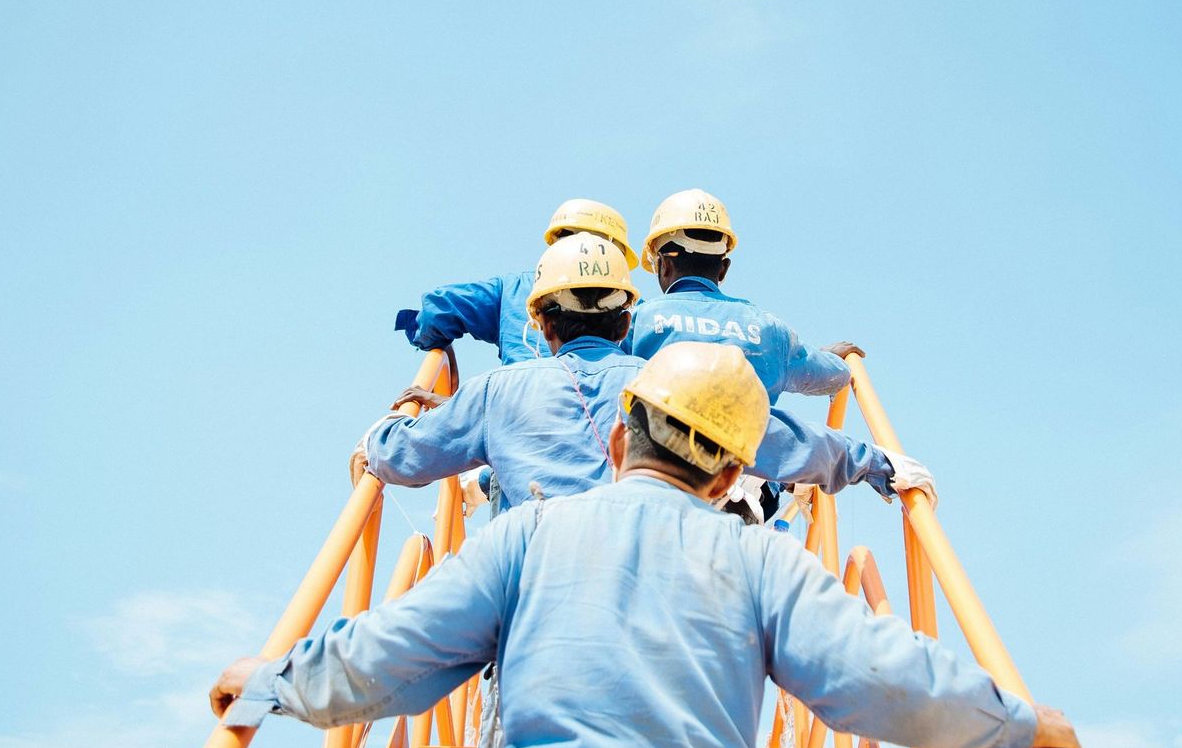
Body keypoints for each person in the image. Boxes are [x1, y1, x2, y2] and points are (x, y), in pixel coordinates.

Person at [211, 342, 1080, 748]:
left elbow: (389, 657)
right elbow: (876, 674)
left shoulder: (524, 537)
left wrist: (263, 688)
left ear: (620, 439)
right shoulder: (764, 560)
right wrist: (1016, 724)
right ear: (729, 475)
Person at [352, 234, 936, 514]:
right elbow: (780, 438)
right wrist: (876, 463)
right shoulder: (672, 385)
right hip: (653, 607)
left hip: (532, 616)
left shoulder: (495, 393)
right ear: (626, 312)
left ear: (542, 320)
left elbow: (401, 458)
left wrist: (388, 428)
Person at [629, 188, 859, 404]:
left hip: (657, 445)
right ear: (723, 268)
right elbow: (831, 376)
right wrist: (831, 358)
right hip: (749, 446)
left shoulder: (638, 321)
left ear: (665, 265)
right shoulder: (768, 329)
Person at [394, 198, 639, 365]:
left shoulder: (511, 291)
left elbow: (438, 310)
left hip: (514, 417)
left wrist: (438, 345)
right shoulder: (632, 309)